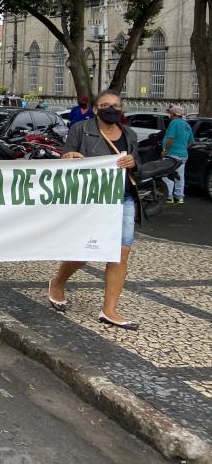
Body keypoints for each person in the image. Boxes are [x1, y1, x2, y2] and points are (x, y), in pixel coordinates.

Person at [47, 90, 141, 330]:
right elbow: (66, 156)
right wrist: (69, 156)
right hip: (92, 199)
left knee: (121, 252)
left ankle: (109, 310)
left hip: (123, 199)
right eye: (105, 105)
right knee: (85, 248)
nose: (111, 109)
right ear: (97, 109)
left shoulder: (129, 133)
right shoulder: (81, 129)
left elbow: (136, 164)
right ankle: (57, 282)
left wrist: (133, 162)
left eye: (116, 105)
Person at [162, 104, 194, 204]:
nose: (169, 115)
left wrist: (165, 150)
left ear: (174, 114)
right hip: (183, 155)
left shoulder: (174, 123)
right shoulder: (186, 125)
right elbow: (191, 141)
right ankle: (179, 197)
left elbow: (170, 139)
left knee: (166, 175)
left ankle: (169, 196)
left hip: (172, 154)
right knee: (179, 176)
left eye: (170, 113)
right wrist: (183, 148)